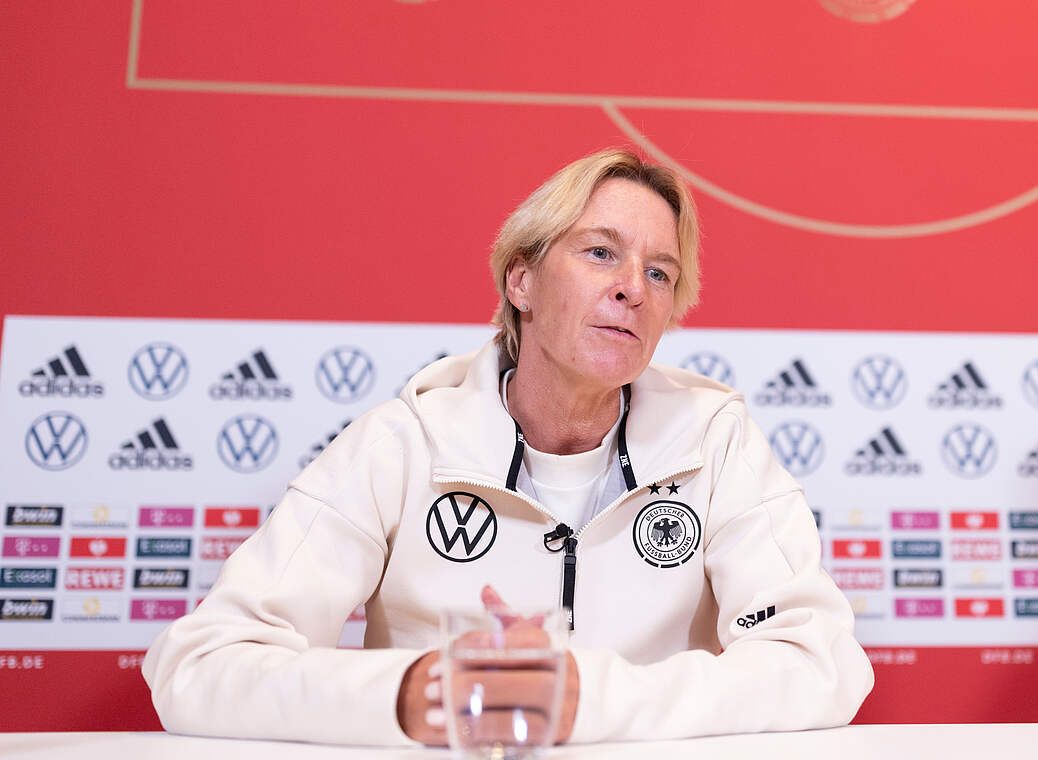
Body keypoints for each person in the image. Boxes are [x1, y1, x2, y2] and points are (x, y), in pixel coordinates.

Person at [143, 148, 874, 746]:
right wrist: (411, 694)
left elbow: (822, 662)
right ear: (521, 280)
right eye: (600, 253)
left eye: (660, 272)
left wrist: (585, 698)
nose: (633, 289)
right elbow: (200, 666)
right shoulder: (402, 442)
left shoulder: (716, 441)